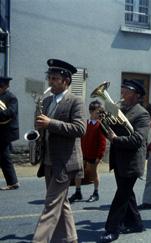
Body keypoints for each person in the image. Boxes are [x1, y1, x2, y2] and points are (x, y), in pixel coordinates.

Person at [33, 59, 86, 243]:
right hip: (48, 160)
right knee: (62, 203)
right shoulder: (46, 101)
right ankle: (71, 238)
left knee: (50, 206)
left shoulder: (76, 100)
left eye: (55, 78)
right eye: (50, 78)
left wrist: (51, 123)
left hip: (65, 162)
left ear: (66, 80)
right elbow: (42, 128)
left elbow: (80, 129)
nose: (51, 82)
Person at [99, 79, 150, 243]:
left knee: (121, 196)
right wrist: (102, 120)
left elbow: (137, 140)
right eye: (122, 91)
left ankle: (112, 229)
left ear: (136, 95)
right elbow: (108, 130)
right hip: (119, 159)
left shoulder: (142, 113)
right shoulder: (120, 109)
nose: (122, 94)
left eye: (125, 92)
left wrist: (115, 139)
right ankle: (136, 223)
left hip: (131, 162)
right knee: (127, 193)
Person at [69, 100, 106, 203]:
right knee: (78, 173)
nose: (99, 114)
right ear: (91, 112)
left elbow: (102, 143)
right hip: (83, 153)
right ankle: (78, 192)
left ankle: (96, 192)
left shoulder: (100, 125)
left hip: (94, 155)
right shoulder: (85, 123)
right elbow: (80, 138)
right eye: (97, 112)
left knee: (94, 174)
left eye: (100, 112)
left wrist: (99, 157)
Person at [0, 76, 20, 190]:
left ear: (6, 86)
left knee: (5, 157)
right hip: (1, 130)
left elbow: (11, 112)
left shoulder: (11, 97)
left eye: (1, 86)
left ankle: (13, 182)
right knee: (4, 157)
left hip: (7, 131)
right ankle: (13, 182)